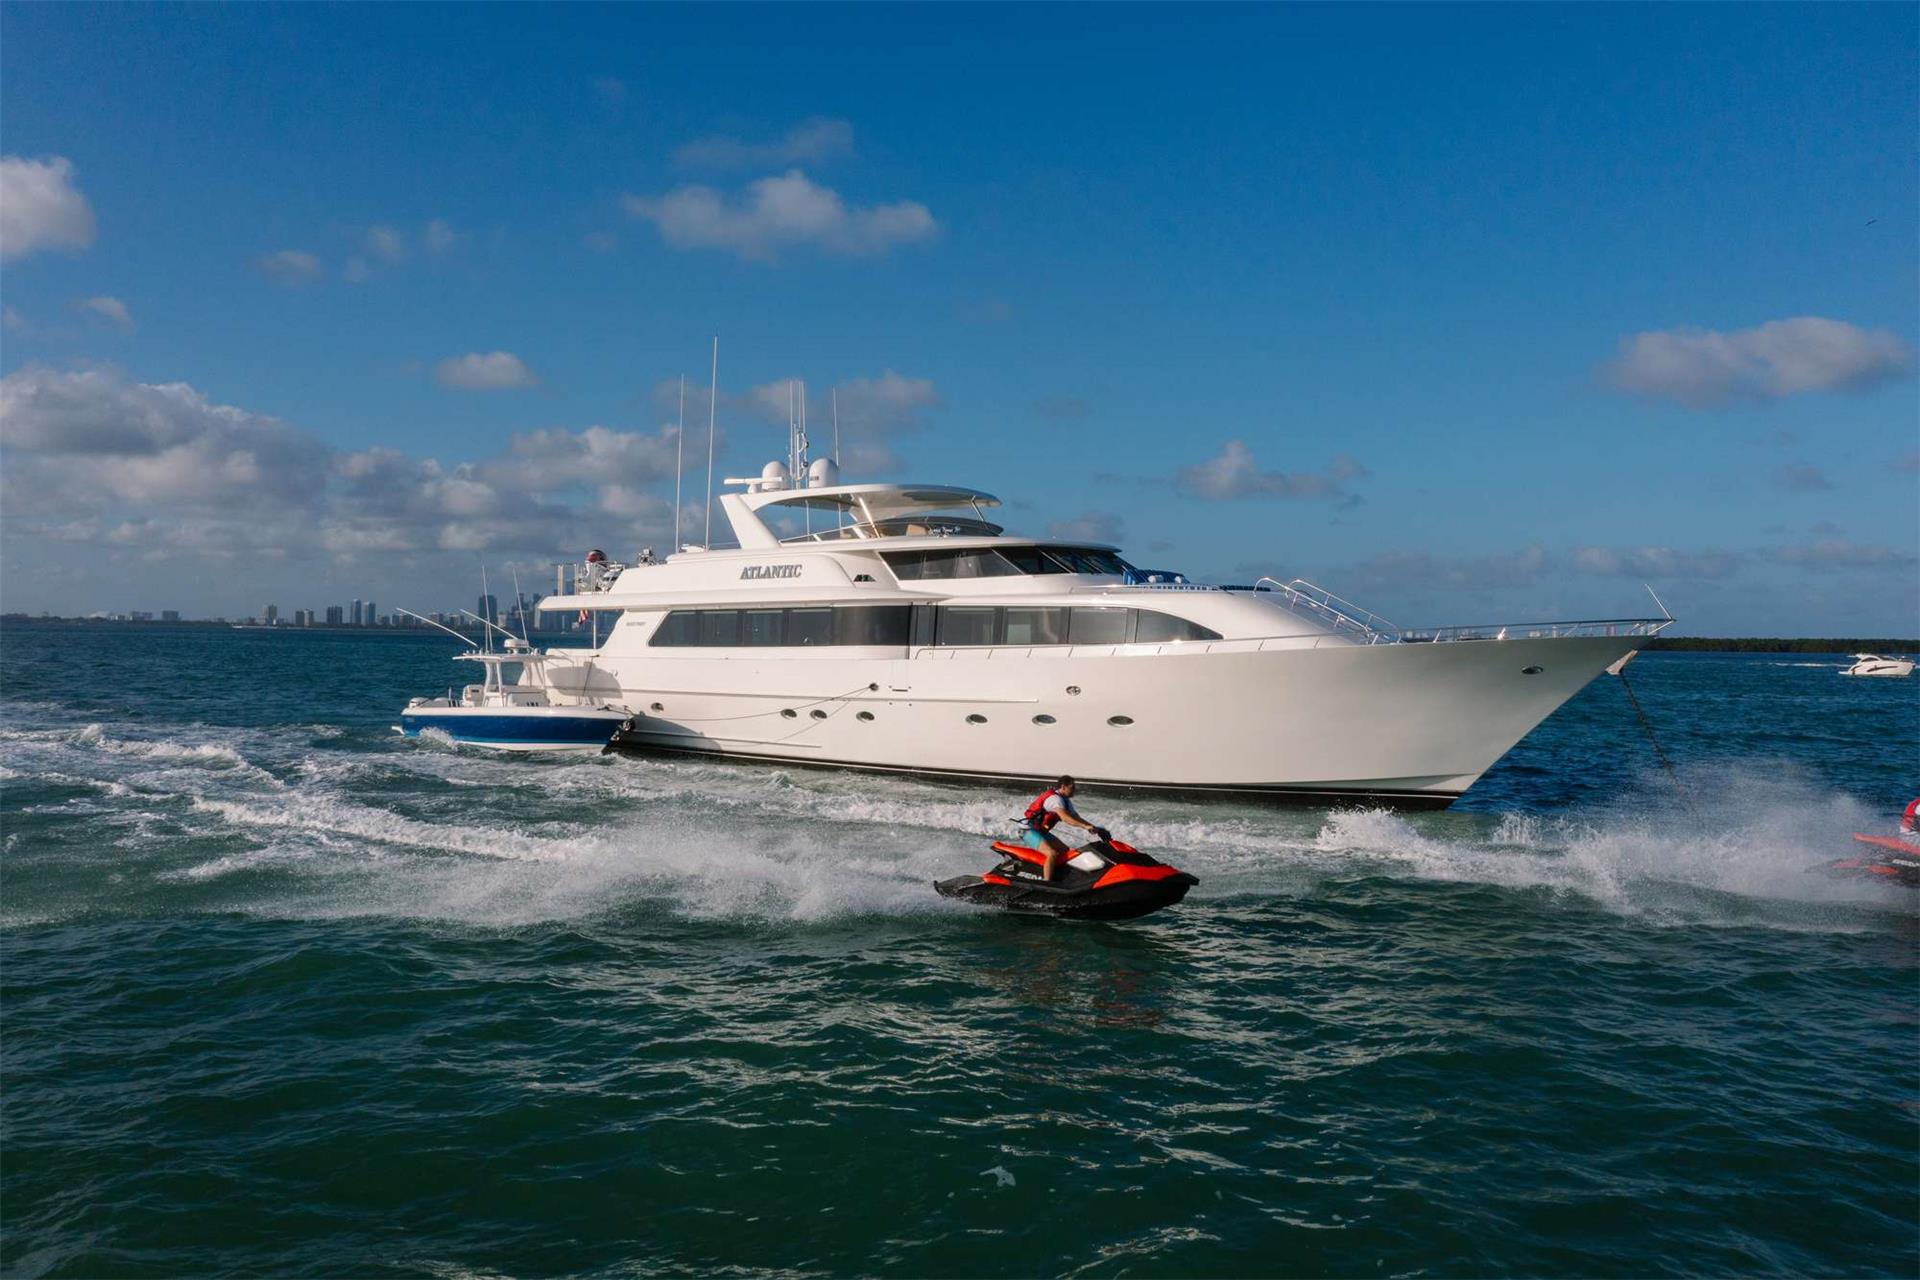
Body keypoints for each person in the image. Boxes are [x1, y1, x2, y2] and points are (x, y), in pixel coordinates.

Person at [1018, 775, 1111, 881]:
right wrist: (1085, 826)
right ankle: (1046, 882)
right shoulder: (1055, 799)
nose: (1074, 790)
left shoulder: (1066, 801)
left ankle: (1060, 877)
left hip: (1040, 832)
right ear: (1063, 787)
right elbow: (1066, 818)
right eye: (1072, 787)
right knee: (1051, 853)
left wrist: (1095, 828)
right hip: (1027, 830)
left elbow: (1076, 818)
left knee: (1065, 851)